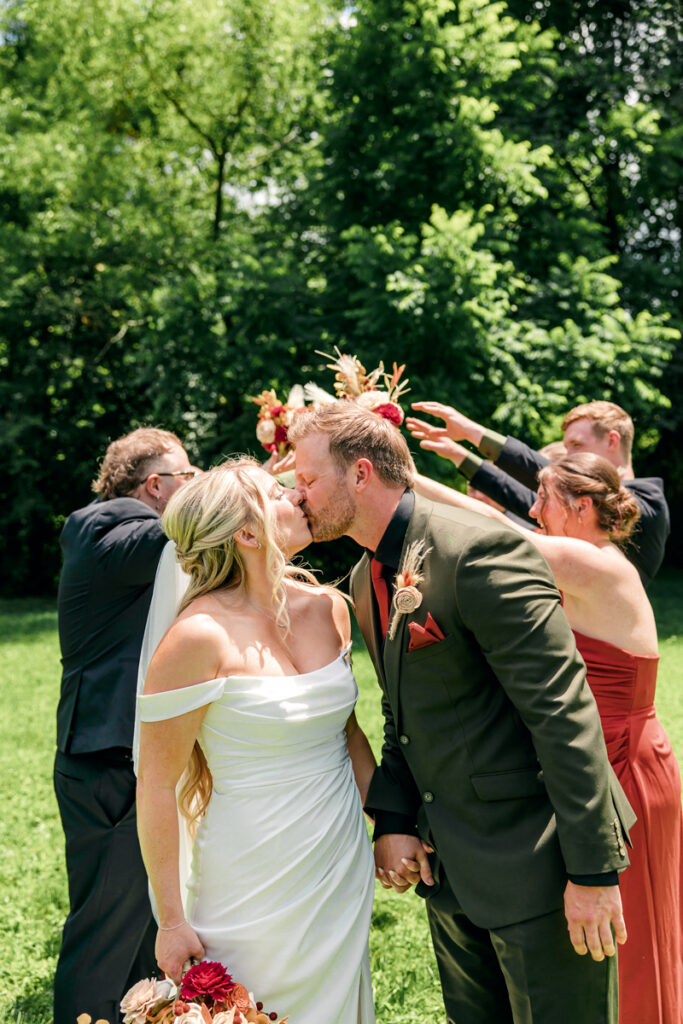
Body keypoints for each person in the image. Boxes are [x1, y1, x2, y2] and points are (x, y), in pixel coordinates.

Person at [289, 402, 635, 1024]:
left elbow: (564, 716)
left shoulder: (480, 554)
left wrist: (592, 874)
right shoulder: (367, 575)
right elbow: (404, 715)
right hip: (449, 875)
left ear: (361, 474)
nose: (297, 494)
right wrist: (393, 817)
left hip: (541, 869)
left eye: (308, 480)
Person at [437, 452, 681, 1024]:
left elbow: (496, 532)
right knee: (621, 935)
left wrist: (405, 487)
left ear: (582, 506)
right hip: (612, 756)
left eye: (543, 496)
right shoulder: (587, 558)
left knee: (630, 931)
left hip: (624, 764)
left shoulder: (592, 562)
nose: (533, 509)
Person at [135, 459, 376, 1024]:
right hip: (250, 876)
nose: (298, 495)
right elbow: (156, 782)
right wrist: (171, 920)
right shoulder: (199, 636)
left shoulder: (329, 609)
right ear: (247, 533)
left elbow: (349, 735)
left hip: (338, 868)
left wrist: (391, 826)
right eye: (279, 492)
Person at [53, 427, 199, 1024]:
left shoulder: (123, 533)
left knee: (141, 926)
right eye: (189, 478)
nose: (196, 489)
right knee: (106, 933)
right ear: (156, 486)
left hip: (120, 756)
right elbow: (190, 528)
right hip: (109, 763)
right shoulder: (104, 526)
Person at [406, 399, 670, 586]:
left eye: (577, 445)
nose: (567, 458)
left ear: (612, 440)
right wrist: (459, 454)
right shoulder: (577, 505)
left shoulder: (648, 502)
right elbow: (518, 496)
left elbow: (559, 479)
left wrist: (474, 432)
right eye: (565, 448)